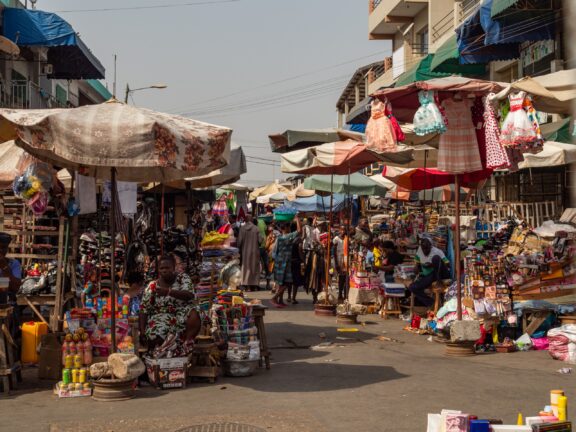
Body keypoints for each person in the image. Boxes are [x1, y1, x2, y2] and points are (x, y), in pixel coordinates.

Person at [140, 255, 201, 350]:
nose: (164, 270)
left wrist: (168, 292)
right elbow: (144, 309)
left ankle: (188, 343)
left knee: (194, 312)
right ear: (158, 270)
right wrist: (142, 332)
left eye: (167, 267)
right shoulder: (153, 285)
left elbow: (189, 295)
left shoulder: (182, 278)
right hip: (161, 316)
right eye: (162, 268)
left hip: (181, 312)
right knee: (155, 336)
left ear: (173, 268)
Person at [408, 235, 451, 307]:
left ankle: (439, 282)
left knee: (436, 258)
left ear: (431, 246)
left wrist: (432, 265)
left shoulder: (437, 251)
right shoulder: (419, 251)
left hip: (441, 273)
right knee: (412, 287)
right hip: (430, 275)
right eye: (423, 249)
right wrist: (416, 267)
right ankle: (431, 303)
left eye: (426, 249)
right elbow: (417, 264)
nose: (425, 251)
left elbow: (447, 265)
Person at [271, 216, 302, 307]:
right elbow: (299, 231)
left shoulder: (279, 238)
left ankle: (280, 301)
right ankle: (275, 297)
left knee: (281, 282)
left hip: (278, 262)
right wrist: (297, 219)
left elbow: (274, 251)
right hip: (285, 262)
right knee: (287, 282)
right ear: (287, 228)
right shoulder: (288, 237)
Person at [237, 215, 262, 291]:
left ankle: (247, 286)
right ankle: (254, 285)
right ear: (251, 219)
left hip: (245, 252)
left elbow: (239, 242)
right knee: (254, 268)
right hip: (255, 251)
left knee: (246, 268)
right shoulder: (256, 228)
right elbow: (260, 241)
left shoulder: (242, 229)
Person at [287, 226, 305, 304]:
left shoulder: (289, 239)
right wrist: (303, 260)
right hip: (296, 262)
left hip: (290, 261)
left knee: (290, 281)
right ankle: (293, 298)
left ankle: (288, 297)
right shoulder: (299, 240)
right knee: (295, 282)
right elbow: (300, 250)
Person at [332, 225, 348, 302]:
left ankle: (345, 294)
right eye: (342, 230)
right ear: (340, 230)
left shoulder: (347, 239)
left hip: (345, 259)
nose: (343, 231)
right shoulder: (336, 239)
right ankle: (340, 294)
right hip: (338, 259)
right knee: (341, 278)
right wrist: (337, 264)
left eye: (344, 230)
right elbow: (334, 252)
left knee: (345, 278)